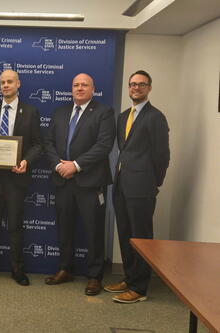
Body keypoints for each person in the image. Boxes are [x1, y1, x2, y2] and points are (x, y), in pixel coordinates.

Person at [44, 73, 116, 295]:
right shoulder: (60, 112)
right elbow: (48, 143)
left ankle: (94, 276)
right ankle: (66, 268)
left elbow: (104, 146)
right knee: (64, 228)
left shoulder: (104, 113)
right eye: (76, 85)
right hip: (62, 180)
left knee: (94, 230)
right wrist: (59, 165)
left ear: (93, 89)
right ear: (71, 89)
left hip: (90, 182)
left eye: (84, 85)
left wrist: (75, 165)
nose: (80, 88)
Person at [104, 70, 170, 303]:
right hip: (122, 185)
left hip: (142, 188)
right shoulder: (123, 116)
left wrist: (153, 182)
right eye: (133, 84)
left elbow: (162, 156)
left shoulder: (156, 117)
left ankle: (140, 289)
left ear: (149, 88)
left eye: (142, 84)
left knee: (141, 237)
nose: (136, 88)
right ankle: (130, 278)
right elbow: (125, 151)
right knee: (125, 234)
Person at [0, 69, 42, 286]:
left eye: (9, 81)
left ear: (18, 84)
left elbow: (37, 144)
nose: (5, 85)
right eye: (2, 82)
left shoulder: (30, 112)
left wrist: (26, 161)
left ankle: (17, 269)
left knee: (15, 226)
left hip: (16, 177)